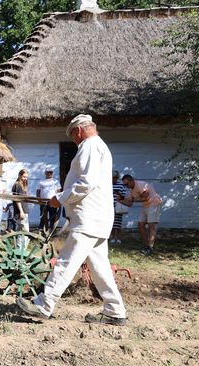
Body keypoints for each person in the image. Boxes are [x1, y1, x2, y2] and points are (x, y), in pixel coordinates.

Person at [16, 114, 128, 326]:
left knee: (66, 261)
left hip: (89, 218)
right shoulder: (99, 146)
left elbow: (86, 183)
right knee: (100, 268)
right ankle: (115, 310)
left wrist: (60, 198)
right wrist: (64, 193)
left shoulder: (90, 146)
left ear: (78, 131)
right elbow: (86, 182)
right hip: (97, 218)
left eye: (74, 137)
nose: (74, 142)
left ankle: (44, 304)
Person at [120, 174, 163, 256]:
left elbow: (145, 198)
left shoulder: (140, 185)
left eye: (126, 184)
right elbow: (130, 204)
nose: (126, 186)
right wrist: (121, 201)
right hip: (146, 205)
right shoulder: (131, 190)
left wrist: (133, 199)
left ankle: (150, 248)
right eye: (124, 185)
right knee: (140, 225)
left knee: (151, 225)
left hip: (154, 203)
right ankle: (147, 246)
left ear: (131, 180)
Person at [36, 168, 61, 232]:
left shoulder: (56, 181)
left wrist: (58, 200)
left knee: (52, 216)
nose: (49, 174)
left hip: (53, 202)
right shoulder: (41, 182)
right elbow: (38, 191)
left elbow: (59, 191)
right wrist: (39, 200)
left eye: (51, 172)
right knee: (42, 216)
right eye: (48, 172)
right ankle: (41, 229)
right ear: (45, 173)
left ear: (52, 173)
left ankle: (52, 230)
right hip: (43, 202)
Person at [11, 169, 30, 248]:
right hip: (20, 212)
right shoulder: (18, 184)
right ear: (19, 176)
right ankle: (20, 250)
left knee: (24, 231)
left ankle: (22, 249)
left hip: (24, 211)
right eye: (24, 177)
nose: (25, 178)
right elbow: (17, 199)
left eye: (26, 177)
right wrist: (21, 211)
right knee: (23, 231)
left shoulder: (23, 185)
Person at [110, 171, 129, 244]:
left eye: (115, 178)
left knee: (117, 223)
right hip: (109, 206)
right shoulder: (107, 184)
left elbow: (124, 196)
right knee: (111, 223)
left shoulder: (121, 185)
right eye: (112, 178)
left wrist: (119, 194)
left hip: (118, 206)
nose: (114, 179)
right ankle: (112, 237)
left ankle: (117, 238)